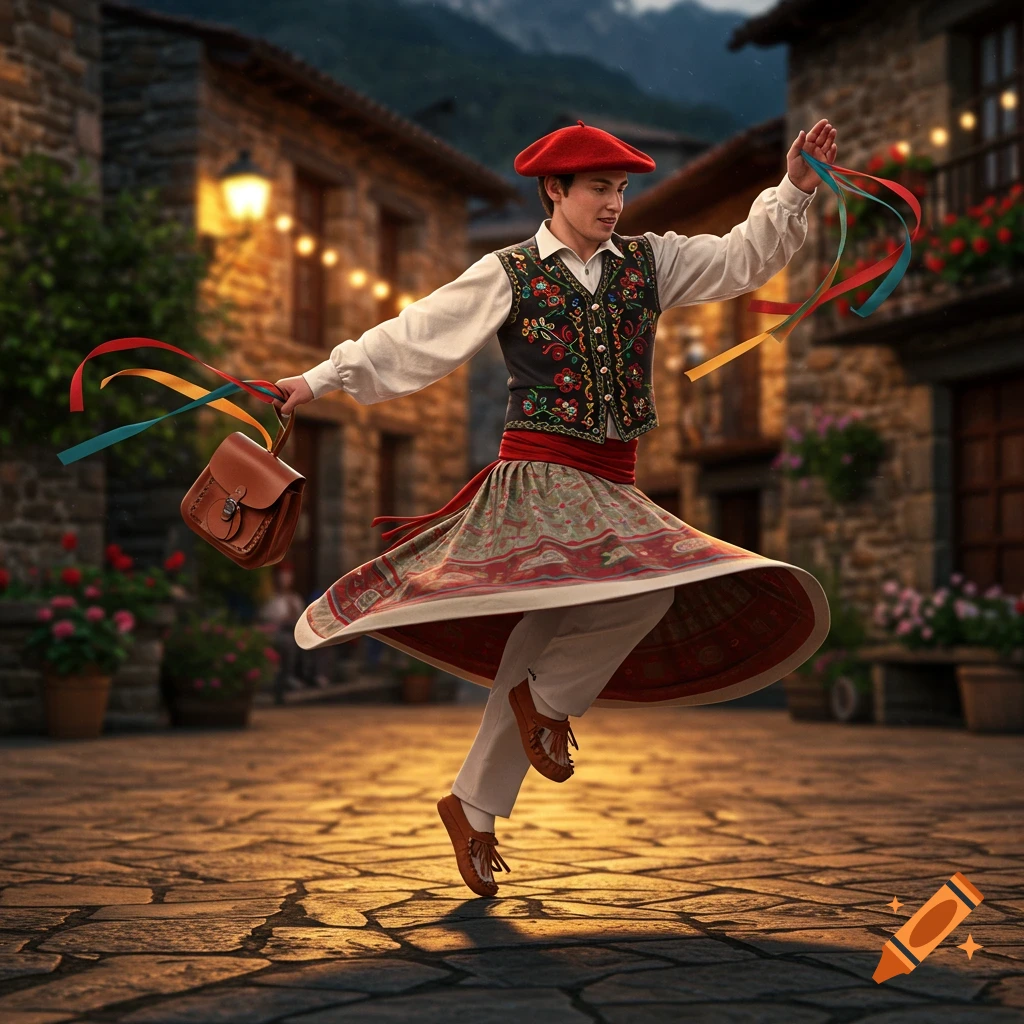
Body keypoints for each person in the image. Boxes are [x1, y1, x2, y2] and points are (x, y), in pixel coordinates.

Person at [272, 118, 838, 897]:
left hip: (614, 479)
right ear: (555, 191)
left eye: (622, 188)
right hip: (540, 471)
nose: (615, 202)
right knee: (651, 587)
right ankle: (543, 703)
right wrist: (316, 380)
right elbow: (416, 334)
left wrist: (794, 188)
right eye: (599, 188)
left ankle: (474, 801)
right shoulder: (508, 272)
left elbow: (744, 257)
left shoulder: (651, 262)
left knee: (544, 632)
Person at [257, 563, 307, 704]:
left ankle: (306, 675)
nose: (285, 579)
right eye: (282, 576)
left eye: (288, 576)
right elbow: (264, 618)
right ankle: (286, 677)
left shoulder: (295, 598)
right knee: (287, 643)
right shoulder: (270, 597)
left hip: (293, 633)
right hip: (274, 633)